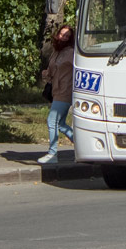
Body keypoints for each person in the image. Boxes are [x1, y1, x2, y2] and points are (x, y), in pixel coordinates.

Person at [38, 25, 75, 164]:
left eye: (67, 36)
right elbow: (52, 72)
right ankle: (81, 145)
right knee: (60, 124)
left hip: (65, 91)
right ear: (57, 34)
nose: (63, 37)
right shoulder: (56, 52)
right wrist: (46, 74)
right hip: (56, 90)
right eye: (62, 34)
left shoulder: (71, 53)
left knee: (51, 120)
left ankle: (52, 154)